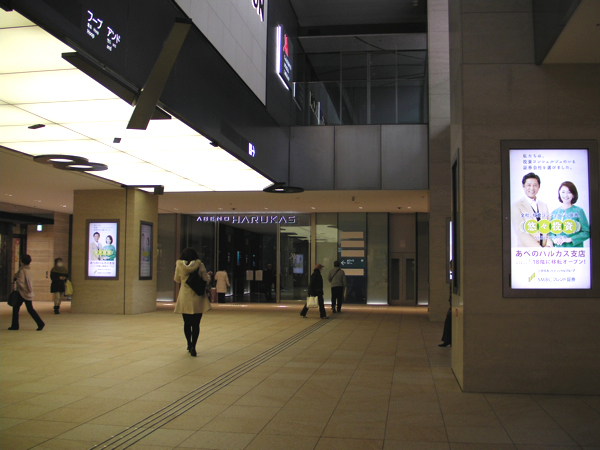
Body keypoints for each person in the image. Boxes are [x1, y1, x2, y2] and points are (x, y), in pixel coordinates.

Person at [173, 247, 211, 357]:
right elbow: (206, 280)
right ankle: (194, 346)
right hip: (197, 298)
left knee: (187, 323)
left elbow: (177, 279)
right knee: (196, 324)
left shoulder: (179, 265)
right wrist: (208, 276)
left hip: (185, 297)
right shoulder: (199, 265)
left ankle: (188, 344)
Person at [511, 172, 553, 247]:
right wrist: (540, 250)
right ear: (523, 186)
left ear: (539, 187)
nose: (532, 188)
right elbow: (521, 233)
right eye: (529, 185)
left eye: (535, 185)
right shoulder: (516, 206)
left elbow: (548, 229)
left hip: (545, 250)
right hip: (526, 251)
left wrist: (549, 246)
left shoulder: (544, 205)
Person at [9, 254, 45, 331]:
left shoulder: (22, 270)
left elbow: (21, 281)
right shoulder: (29, 270)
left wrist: (16, 279)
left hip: (22, 292)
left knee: (17, 308)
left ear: (22, 261)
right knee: (28, 309)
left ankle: (15, 325)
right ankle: (40, 323)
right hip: (28, 292)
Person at [550, 181, 590, 247]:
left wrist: (570, 239)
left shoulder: (579, 211)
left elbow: (586, 232)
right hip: (559, 250)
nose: (565, 195)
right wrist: (554, 239)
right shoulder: (554, 212)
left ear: (573, 195)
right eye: (563, 192)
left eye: (569, 192)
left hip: (574, 250)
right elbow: (550, 232)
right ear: (559, 193)